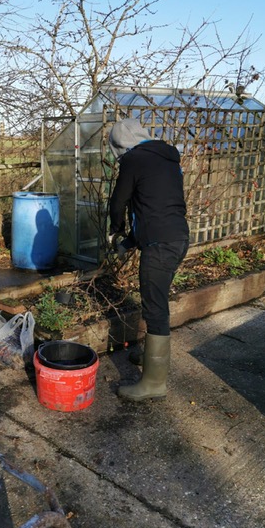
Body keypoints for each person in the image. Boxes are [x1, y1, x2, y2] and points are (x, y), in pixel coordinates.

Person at [108, 118, 189, 402]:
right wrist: (130, 242)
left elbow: (119, 202)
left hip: (160, 245)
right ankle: (149, 356)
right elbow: (153, 207)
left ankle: (154, 383)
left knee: (155, 307)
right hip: (177, 238)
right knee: (156, 298)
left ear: (120, 144)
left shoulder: (133, 159)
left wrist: (116, 231)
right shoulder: (166, 159)